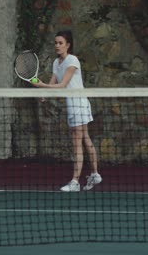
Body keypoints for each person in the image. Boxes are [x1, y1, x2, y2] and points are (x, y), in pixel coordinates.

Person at [31, 30, 102, 192]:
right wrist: (44, 94)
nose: (57, 46)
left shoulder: (72, 60)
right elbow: (53, 84)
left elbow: (62, 85)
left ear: (68, 45)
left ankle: (75, 182)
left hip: (79, 103)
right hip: (73, 105)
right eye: (55, 43)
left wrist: (43, 86)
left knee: (77, 141)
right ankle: (95, 174)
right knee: (85, 137)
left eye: (60, 43)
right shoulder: (56, 63)